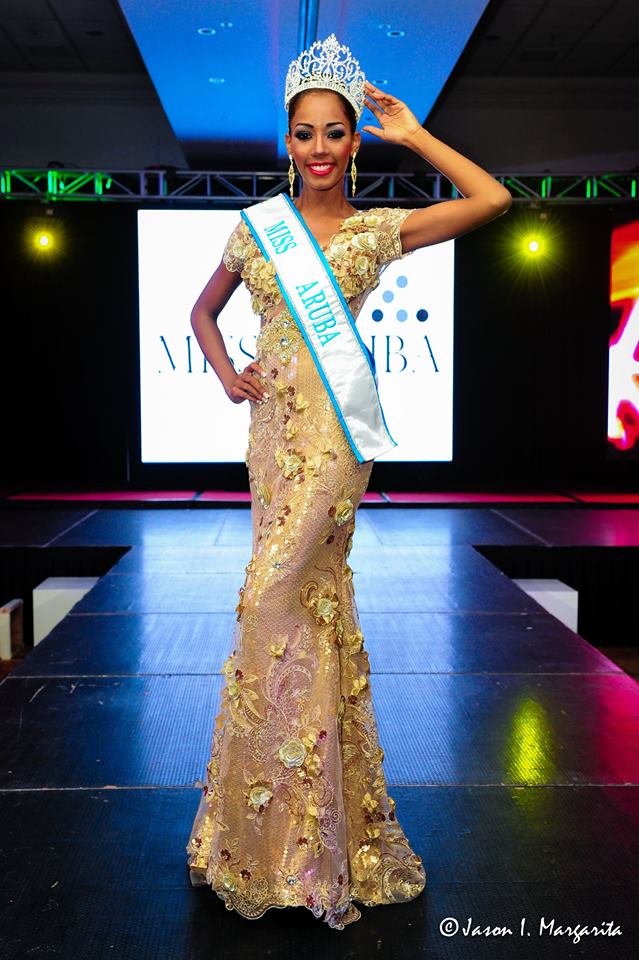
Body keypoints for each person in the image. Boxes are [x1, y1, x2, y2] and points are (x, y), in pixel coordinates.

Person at [186, 33, 511, 931]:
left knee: (269, 602)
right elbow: (201, 311)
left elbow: (491, 200)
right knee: (297, 616)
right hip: (270, 440)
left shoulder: (375, 231)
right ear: (286, 142)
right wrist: (225, 372)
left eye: (336, 132)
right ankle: (274, 836)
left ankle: (292, 836)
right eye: (305, 133)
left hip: (333, 445)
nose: (320, 147)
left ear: (354, 141)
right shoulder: (256, 228)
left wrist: (416, 134)